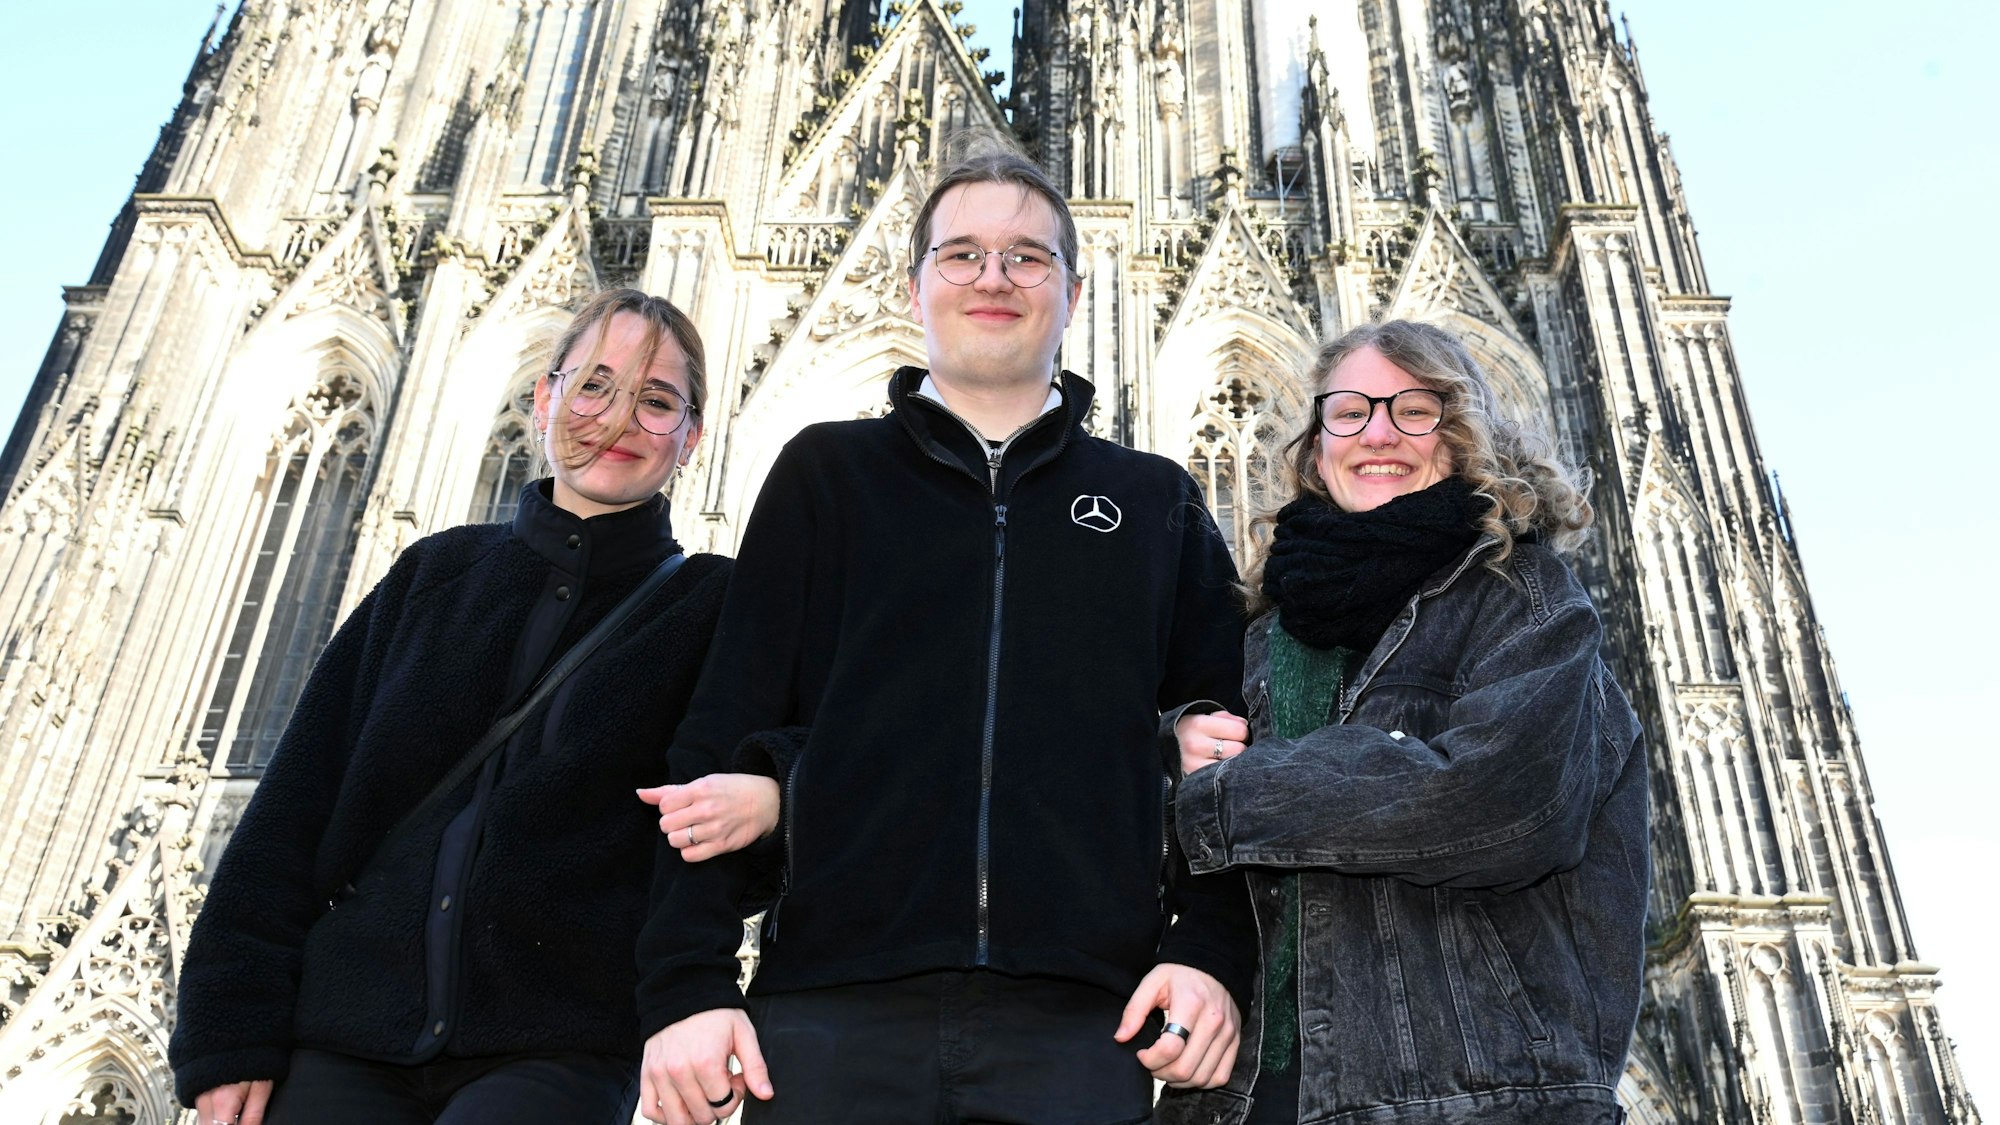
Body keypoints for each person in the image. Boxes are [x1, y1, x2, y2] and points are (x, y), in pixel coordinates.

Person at [632, 140, 1258, 1125]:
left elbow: (1232, 761)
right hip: (826, 1008)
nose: (993, 278)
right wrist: (686, 987)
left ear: (1073, 290)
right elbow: (720, 737)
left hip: (1078, 1020)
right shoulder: (824, 475)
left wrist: (1208, 955)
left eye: (1026, 255)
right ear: (915, 283)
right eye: (961, 254)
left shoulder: (1152, 502)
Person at [168, 289, 775, 1124]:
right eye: (594, 385)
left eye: (656, 401)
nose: (617, 418)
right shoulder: (432, 576)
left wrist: (778, 796)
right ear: (544, 397)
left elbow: (763, 799)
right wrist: (227, 1030)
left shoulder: (715, 607)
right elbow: (294, 808)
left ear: (691, 438)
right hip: (346, 1029)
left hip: (556, 1042)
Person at [1159, 320, 1647, 1125]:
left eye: (1414, 410)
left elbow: (1494, 802)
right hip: (1254, 1098)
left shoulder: (1525, 598)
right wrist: (1170, 752)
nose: (1377, 432)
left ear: (1461, 436)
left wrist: (1219, 794)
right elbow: (1222, 887)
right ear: (1317, 445)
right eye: (1348, 412)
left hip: (1478, 1098)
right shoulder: (1264, 631)